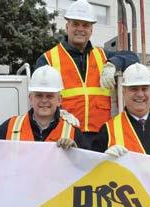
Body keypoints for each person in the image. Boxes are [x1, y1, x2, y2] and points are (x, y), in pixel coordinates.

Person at [35, 0, 139, 140]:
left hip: (101, 137)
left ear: (91, 30)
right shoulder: (47, 59)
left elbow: (133, 57)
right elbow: (39, 98)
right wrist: (59, 113)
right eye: (75, 24)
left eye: (85, 25)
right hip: (64, 134)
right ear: (67, 26)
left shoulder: (103, 56)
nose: (80, 29)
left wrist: (113, 64)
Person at [0, 65, 89, 164]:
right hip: (18, 204)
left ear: (59, 100)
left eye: (49, 96)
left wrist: (76, 154)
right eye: (39, 95)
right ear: (31, 98)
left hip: (54, 205)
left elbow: (89, 168)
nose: (44, 101)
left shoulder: (72, 132)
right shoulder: (10, 126)